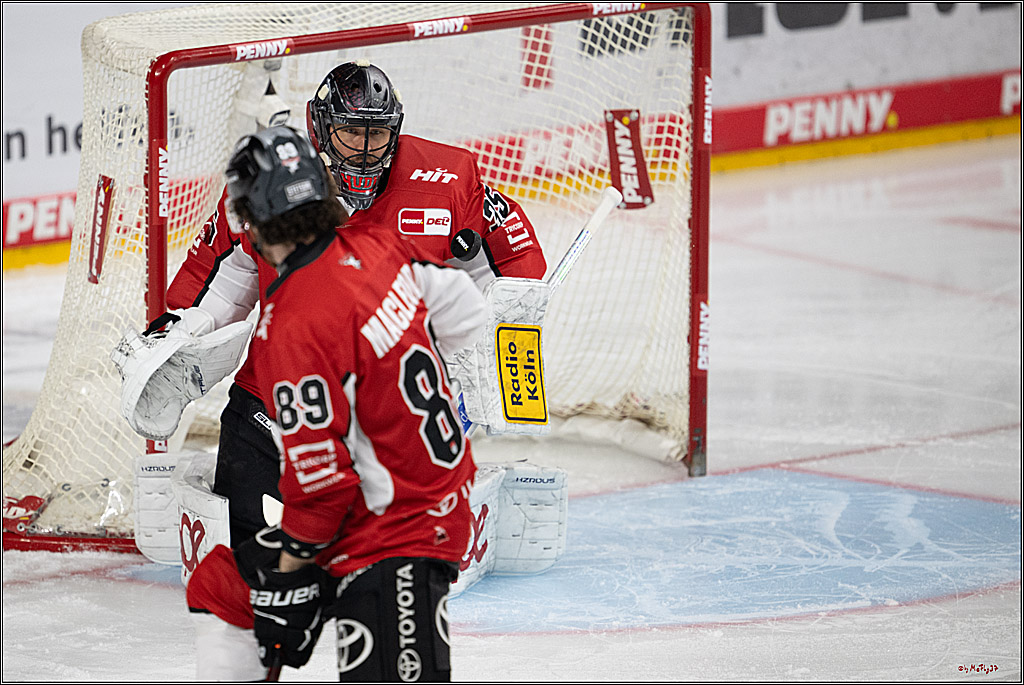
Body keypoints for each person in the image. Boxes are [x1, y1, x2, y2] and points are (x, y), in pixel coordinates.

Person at [165, 61, 547, 546]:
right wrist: (179, 332)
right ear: (321, 129)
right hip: (274, 402)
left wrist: (497, 351)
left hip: (388, 409)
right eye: (350, 134)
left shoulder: (447, 179)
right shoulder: (266, 181)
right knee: (248, 547)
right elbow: (218, 277)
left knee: (382, 549)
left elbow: (513, 258)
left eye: (377, 136)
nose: (365, 152)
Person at [185, 124, 486, 680]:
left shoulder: (291, 322)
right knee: (227, 587)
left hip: (402, 530)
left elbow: (322, 486)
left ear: (252, 218)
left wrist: (291, 577)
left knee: (259, 594)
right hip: (421, 494)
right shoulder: (379, 245)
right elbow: (466, 312)